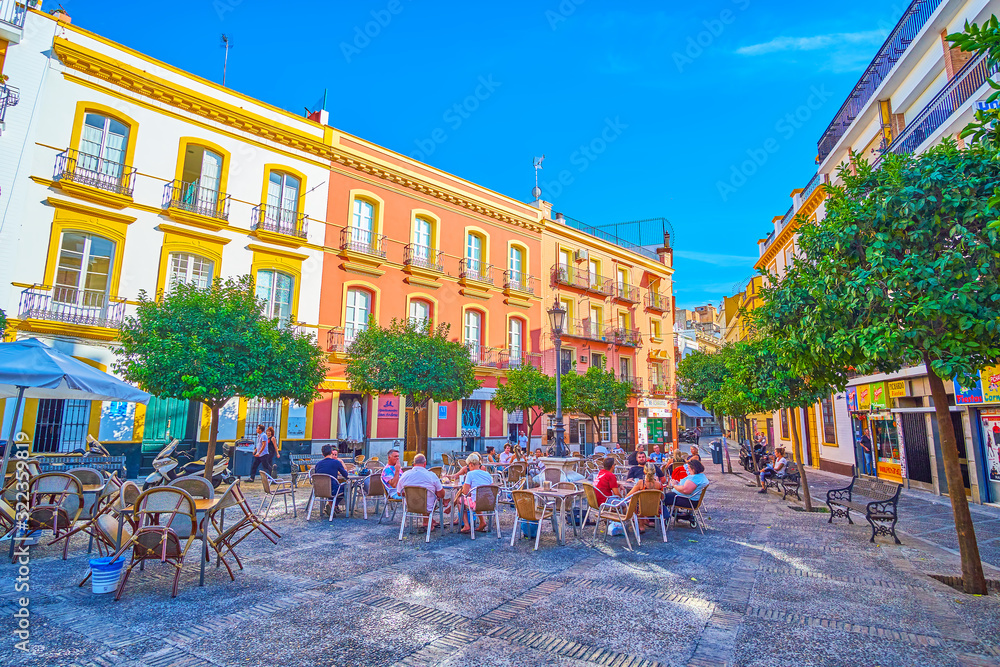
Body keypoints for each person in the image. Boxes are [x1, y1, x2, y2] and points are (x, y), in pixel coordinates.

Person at [397, 454, 445, 527]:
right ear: (425, 464)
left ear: (413, 464)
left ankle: (429, 522)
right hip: (427, 506)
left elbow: (399, 493)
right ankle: (428, 523)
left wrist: (412, 494)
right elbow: (441, 495)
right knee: (432, 497)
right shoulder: (431, 475)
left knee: (423, 497)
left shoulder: (405, 475)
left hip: (411, 506)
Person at [458, 453, 493, 533]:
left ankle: (466, 525)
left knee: (460, 501)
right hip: (489, 503)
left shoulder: (470, 474)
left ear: (471, 464)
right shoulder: (487, 474)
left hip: (477, 503)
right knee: (477, 497)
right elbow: (492, 488)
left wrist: (465, 488)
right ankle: (482, 521)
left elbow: (465, 492)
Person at [313, 444, 350, 513]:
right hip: (333, 490)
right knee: (347, 486)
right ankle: (333, 505)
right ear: (331, 452)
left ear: (322, 454)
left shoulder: (318, 464)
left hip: (319, 490)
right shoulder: (336, 462)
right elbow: (346, 475)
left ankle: (331, 505)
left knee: (334, 486)